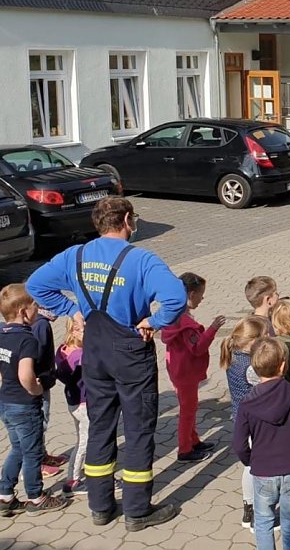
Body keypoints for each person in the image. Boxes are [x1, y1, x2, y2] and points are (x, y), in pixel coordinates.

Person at [25, 197, 187, 531]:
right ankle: (138, 511)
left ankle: (100, 507)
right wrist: (153, 323)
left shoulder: (76, 255)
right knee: (139, 429)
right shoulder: (141, 259)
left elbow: (35, 286)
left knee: (100, 425)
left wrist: (72, 311)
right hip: (130, 350)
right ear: (127, 219)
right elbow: (176, 298)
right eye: (134, 218)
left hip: (95, 352)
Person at [233, 337, 290, 550]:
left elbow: (239, 442)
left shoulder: (247, 403)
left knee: (263, 521)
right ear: (283, 364)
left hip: (263, 471)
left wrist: (251, 461)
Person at [0, 284, 69, 516]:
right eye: (34, 307)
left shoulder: (2, 333)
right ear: (22, 312)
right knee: (32, 452)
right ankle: (36, 497)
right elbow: (25, 374)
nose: (37, 310)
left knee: (17, 448)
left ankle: (5, 495)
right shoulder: (26, 339)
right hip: (24, 404)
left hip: (6, 402)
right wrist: (36, 389)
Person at [161, 272, 225, 463]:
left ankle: (193, 440)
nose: (202, 298)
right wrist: (213, 329)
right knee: (188, 410)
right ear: (190, 294)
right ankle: (184, 449)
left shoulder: (175, 315)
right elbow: (197, 347)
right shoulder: (186, 323)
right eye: (200, 294)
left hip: (178, 369)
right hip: (186, 372)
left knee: (190, 407)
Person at [220, 316, 269, 531]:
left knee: (251, 466)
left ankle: (249, 506)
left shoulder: (233, 356)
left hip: (240, 416)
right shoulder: (251, 367)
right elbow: (267, 386)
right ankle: (257, 511)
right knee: (256, 466)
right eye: (265, 336)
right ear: (253, 341)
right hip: (254, 421)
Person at [31, 307, 67, 479]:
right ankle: (36, 464)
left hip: (42, 380)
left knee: (43, 418)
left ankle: (42, 454)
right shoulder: (41, 325)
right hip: (39, 382)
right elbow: (36, 355)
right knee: (40, 421)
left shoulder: (40, 322)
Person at [55, 318, 88, 495]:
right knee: (86, 441)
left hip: (73, 400)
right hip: (84, 403)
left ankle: (76, 475)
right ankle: (72, 481)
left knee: (82, 439)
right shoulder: (80, 355)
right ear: (74, 330)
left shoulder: (62, 349)